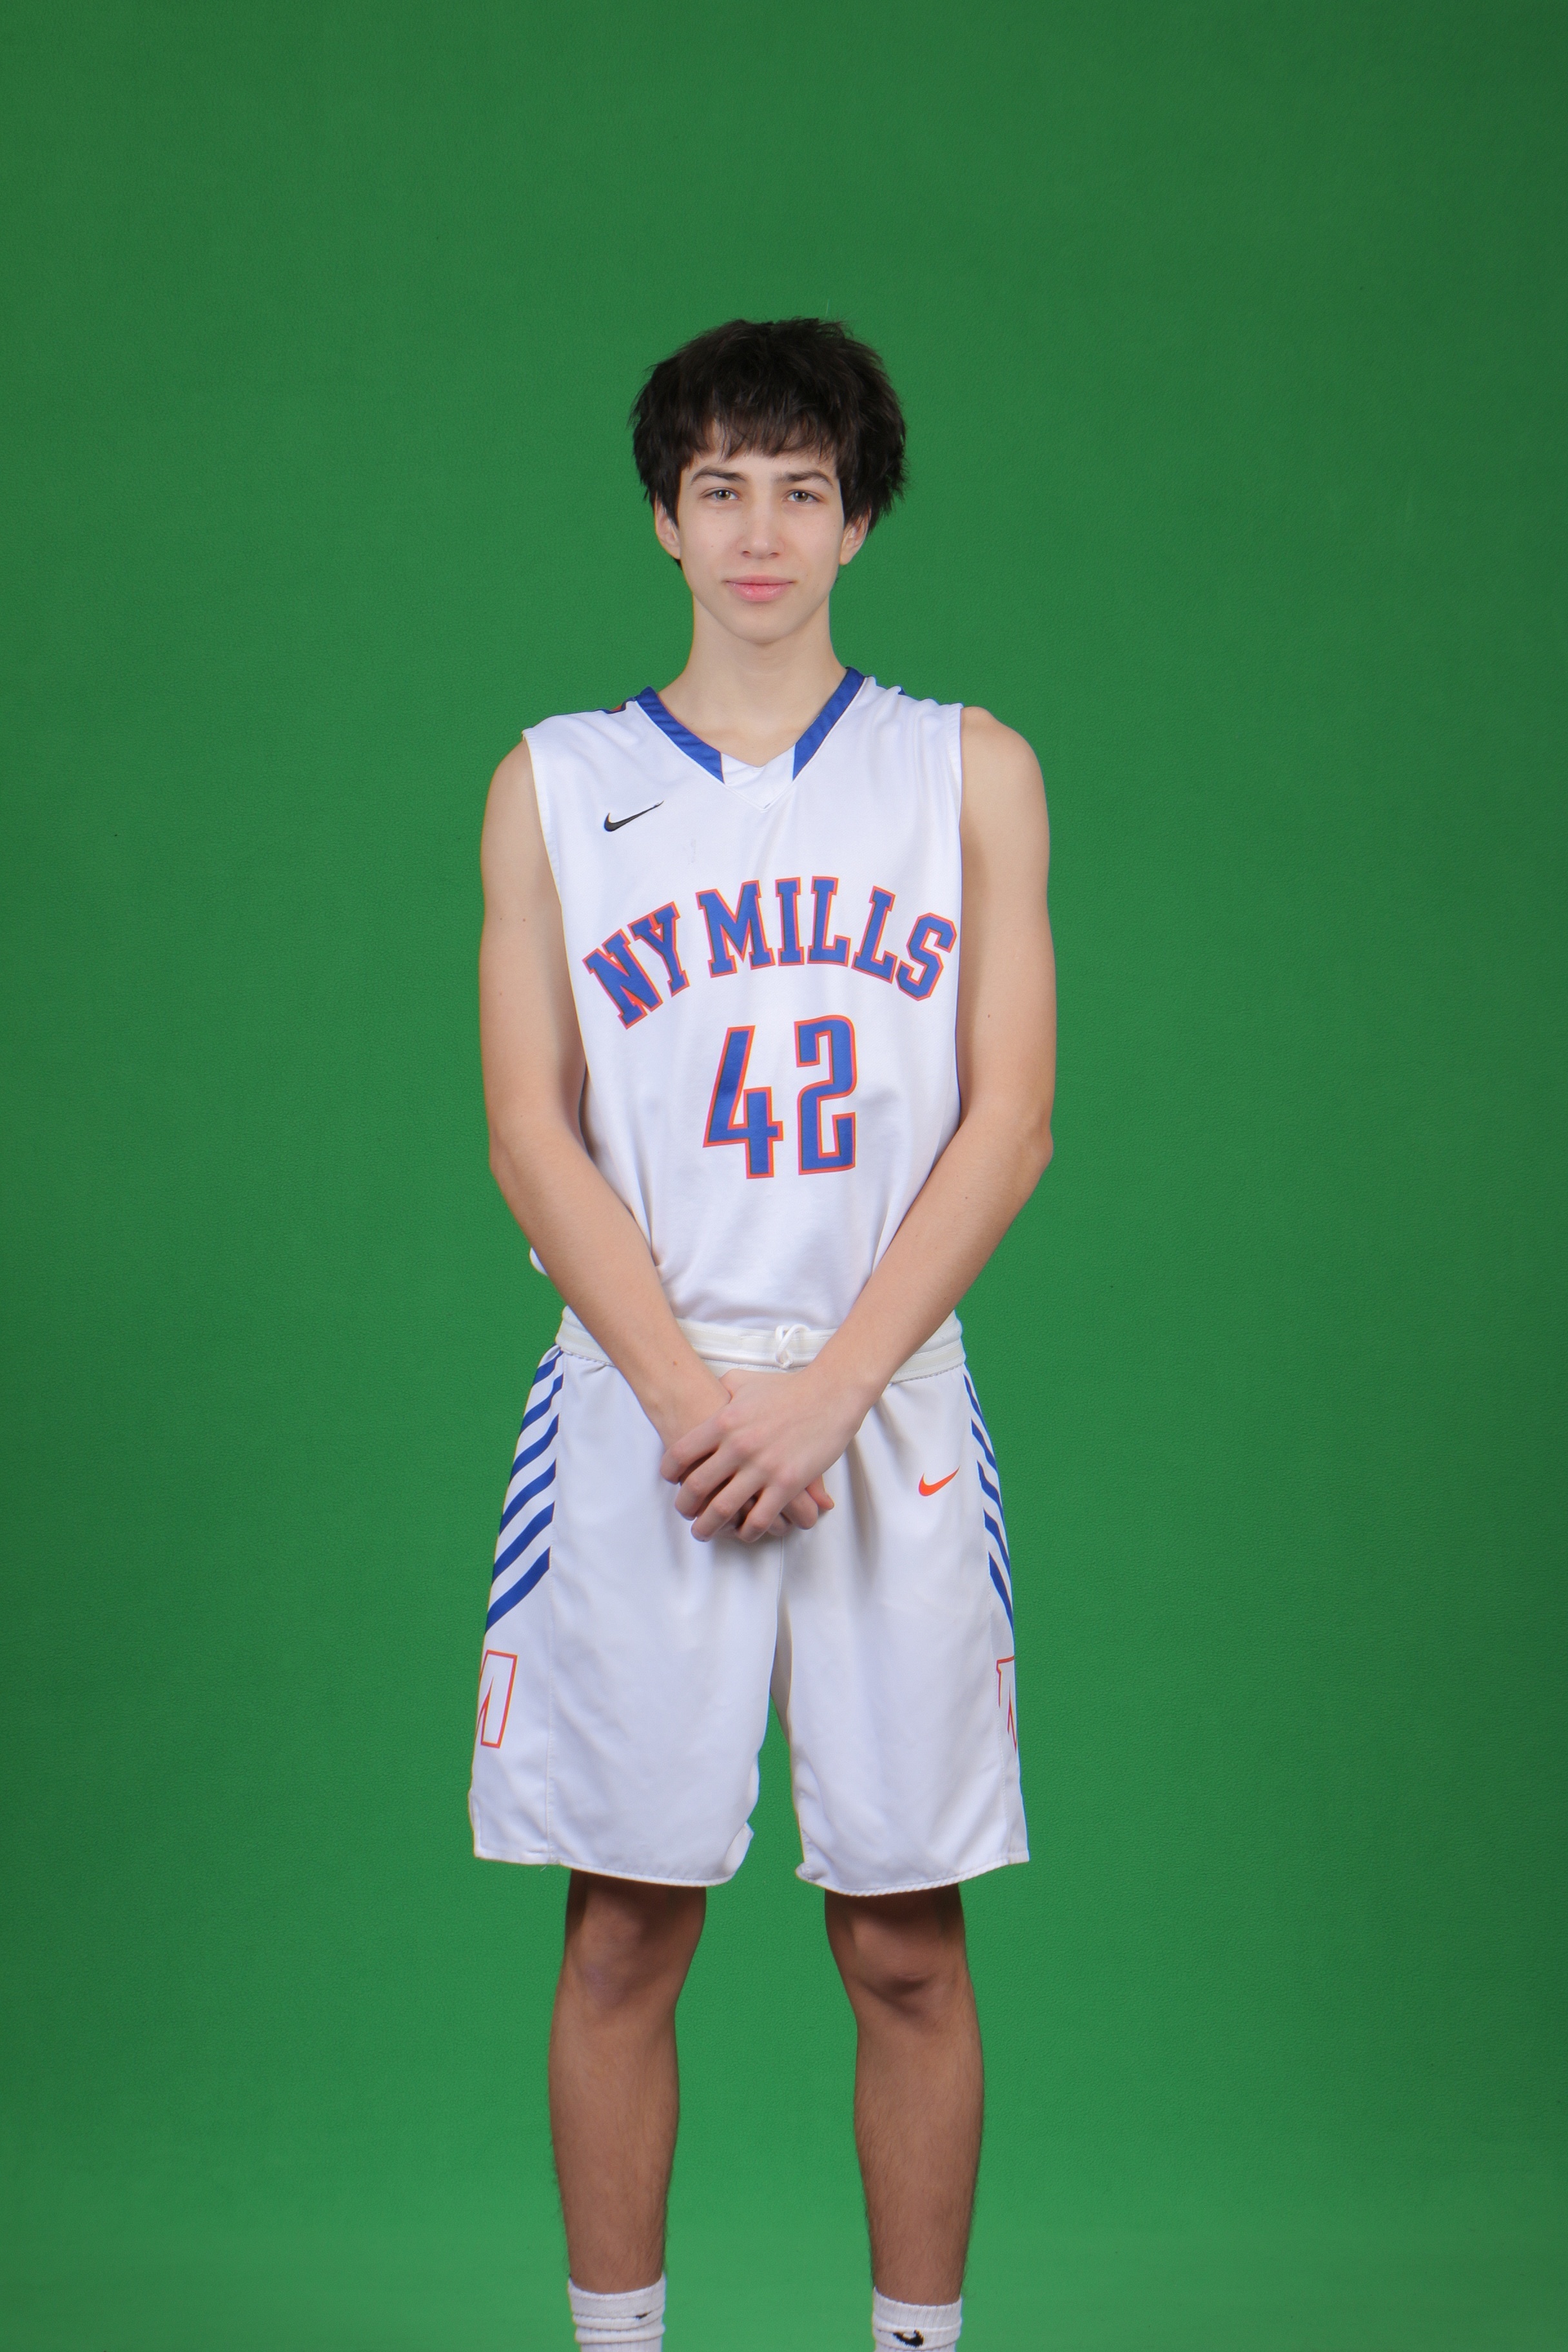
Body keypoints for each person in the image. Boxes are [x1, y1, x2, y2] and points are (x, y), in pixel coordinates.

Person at [469, 317, 1055, 2352]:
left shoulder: (968, 771)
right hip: (650, 1398)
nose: (759, 531)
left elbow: (1011, 1120)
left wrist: (823, 1397)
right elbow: (530, 1131)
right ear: (663, 513)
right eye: (719, 487)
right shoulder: (555, 783)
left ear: (859, 519)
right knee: (626, 1932)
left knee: (905, 1942)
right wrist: (695, 1400)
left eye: (802, 490)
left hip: (879, 1396)